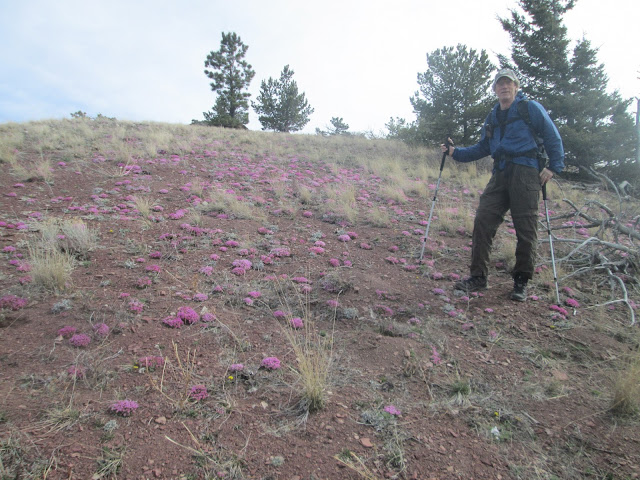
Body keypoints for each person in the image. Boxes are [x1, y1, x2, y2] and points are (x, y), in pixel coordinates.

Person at [441, 68, 564, 302]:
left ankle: (521, 281)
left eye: (508, 83)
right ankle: (478, 277)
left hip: (526, 173)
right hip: (500, 173)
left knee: (526, 228)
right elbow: (483, 147)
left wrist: (553, 167)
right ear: (495, 89)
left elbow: (552, 136)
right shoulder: (493, 116)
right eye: (500, 84)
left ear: (516, 87)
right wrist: (455, 152)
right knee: (483, 220)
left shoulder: (530, 108)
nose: (504, 87)